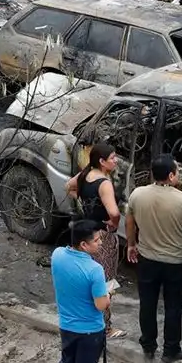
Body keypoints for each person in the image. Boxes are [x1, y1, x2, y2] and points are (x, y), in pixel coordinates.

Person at [126, 154, 182, 363]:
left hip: (147, 259)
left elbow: (130, 223)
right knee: (173, 307)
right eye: (177, 171)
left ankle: (148, 346)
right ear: (171, 176)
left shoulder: (137, 194)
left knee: (147, 304)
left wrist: (131, 244)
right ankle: (170, 350)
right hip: (174, 263)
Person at [65, 143, 125, 339]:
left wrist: (82, 202)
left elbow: (69, 187)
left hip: (87, 232)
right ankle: (106, 327)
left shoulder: (85, 174)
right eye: (113, 158)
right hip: (102, 235)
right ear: (102, 161)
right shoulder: (104, 183)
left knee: (86, 278)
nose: (116, 161)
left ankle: (88, 318)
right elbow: (114, 212)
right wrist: (113, 224)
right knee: (105, 281)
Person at [50, 219, 111, 363]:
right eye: (96, 240)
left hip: (66, 325)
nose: (100, 242)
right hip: (90, 331)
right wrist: (108, 295)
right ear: (83, 245)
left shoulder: (58, 255)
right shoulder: (95, 270)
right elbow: (101, 305)